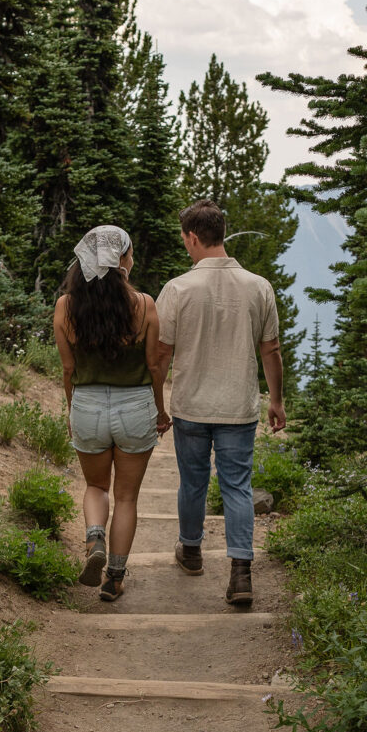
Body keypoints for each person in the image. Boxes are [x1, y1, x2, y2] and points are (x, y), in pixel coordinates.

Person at [156, 200, 286, 607]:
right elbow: (272, 351)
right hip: (238, 406)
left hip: (191, 404)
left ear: (193, 237)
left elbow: (160, 355)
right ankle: (241, 573)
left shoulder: (178, 288)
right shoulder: (258, 286)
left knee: (192, 482)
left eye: (184, 240)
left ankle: (191, 552)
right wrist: (276, 400)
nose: (185, 247)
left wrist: (157, 404)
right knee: (237, 486)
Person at [54, 225, 171, 602]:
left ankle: (94, 538)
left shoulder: (65, 307)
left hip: (88, 404)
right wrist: (159, 410)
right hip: (135, 406)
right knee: (126, 498)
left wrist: (74, 409)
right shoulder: (144, 305)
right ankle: (115, 578)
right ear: (122, 259)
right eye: (131, 253)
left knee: (95, 486)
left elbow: (68, 369)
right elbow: (154, 366)